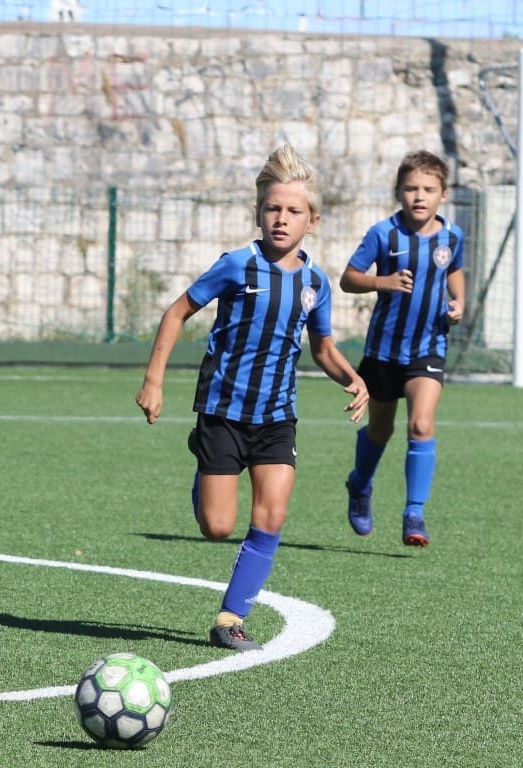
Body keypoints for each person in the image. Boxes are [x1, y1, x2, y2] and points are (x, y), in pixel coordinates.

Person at [135, 144, 368, 652]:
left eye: (294, 211)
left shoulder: (315, 283)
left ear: (313, 221)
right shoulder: (236, 266)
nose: (282, 219)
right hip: (223, 412)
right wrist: (154, 380)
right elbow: (176, 313)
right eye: (272, 208)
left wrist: (352, 378)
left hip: (277, 416)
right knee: (217, 527)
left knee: (272, 515)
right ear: (258, 213)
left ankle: (230, 618)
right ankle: (205, 467)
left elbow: (323, 348)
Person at [340, 150, 465, 547]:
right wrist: (383, 282)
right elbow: (348, 278)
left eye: (428, 189)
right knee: (380, 430)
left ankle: (414, 512)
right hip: (383, 351)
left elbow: (455, 270)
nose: (419, 196)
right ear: (398, 192)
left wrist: (459, 302)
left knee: (421, 425)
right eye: (411, 188)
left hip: (429, 346)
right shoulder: (383, 234)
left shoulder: (453, 237)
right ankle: (360, 485)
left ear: (443, 194)